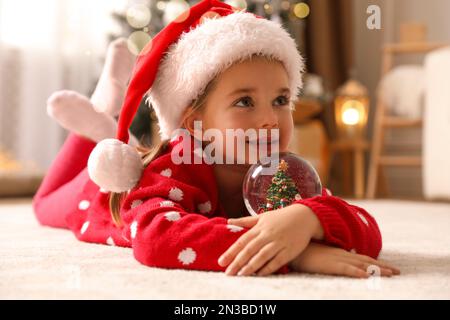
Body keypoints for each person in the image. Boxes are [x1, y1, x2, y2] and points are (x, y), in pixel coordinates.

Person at [33, 0, 399, 278]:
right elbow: (156, 238)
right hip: (94, 194)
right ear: (194, 124)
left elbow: (365, 230)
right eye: (244, 102)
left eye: (281, 100)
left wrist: (306, 219)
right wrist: (292, 252)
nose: (271, 120)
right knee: (43, 204)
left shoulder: (281, 176)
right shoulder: (176, 166)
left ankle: (104, 124)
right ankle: (95, 126)